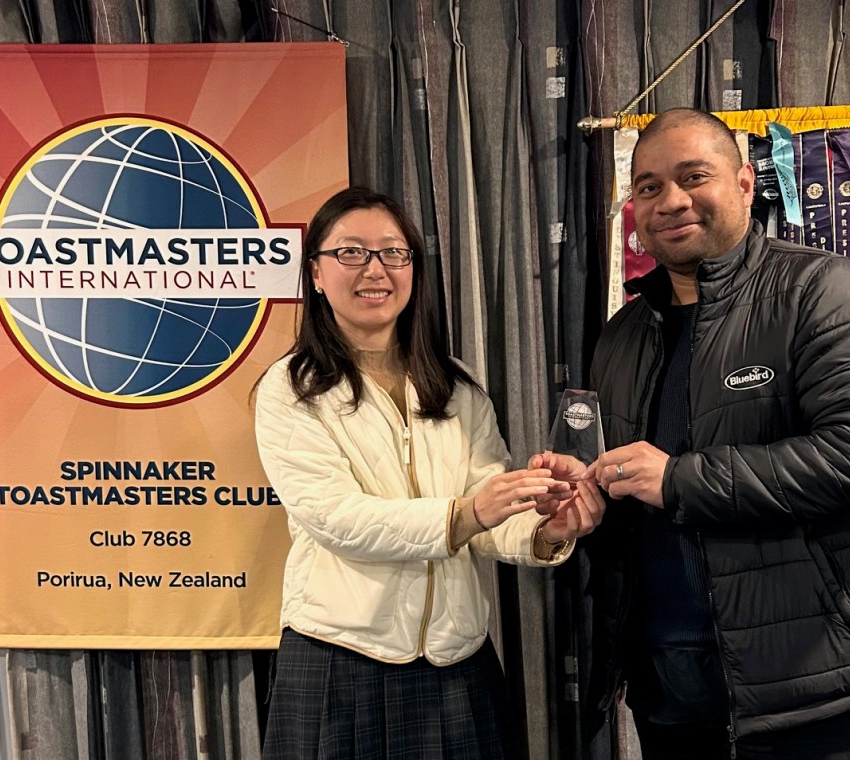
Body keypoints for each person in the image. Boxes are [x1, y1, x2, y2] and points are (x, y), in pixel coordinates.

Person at [541, 109, 850, 759]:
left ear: (746, 184)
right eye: (648, 186)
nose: (671, 200)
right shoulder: (623, 335)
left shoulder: (817, 289)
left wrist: (679, 479)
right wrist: (584, 509)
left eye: (694, 176)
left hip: (804, 685)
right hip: (667, 691)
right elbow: (636, 501)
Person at [254, 187, 604, 759]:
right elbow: (334, 518)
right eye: (350, 252)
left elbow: (486, 508)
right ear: (315, 272)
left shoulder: (456, 384)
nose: (375, 269)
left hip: (457, 659)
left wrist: (546, 527)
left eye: (393, 252)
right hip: (340, 659)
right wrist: (466, 514)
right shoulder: (292, 388)